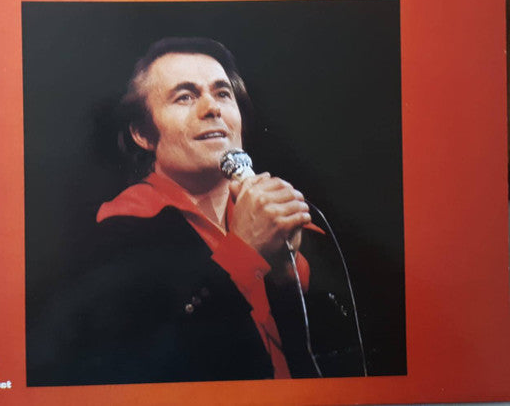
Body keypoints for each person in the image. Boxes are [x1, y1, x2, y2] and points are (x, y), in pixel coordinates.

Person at [30, 37, 364, 385]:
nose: (212, 108)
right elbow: (149, 365)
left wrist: (286, 277)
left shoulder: (282, 219)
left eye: (222, 93)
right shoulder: (117, 232)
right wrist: (244, 255)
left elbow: (341, 360)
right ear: (143, 134)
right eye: (185, 97)